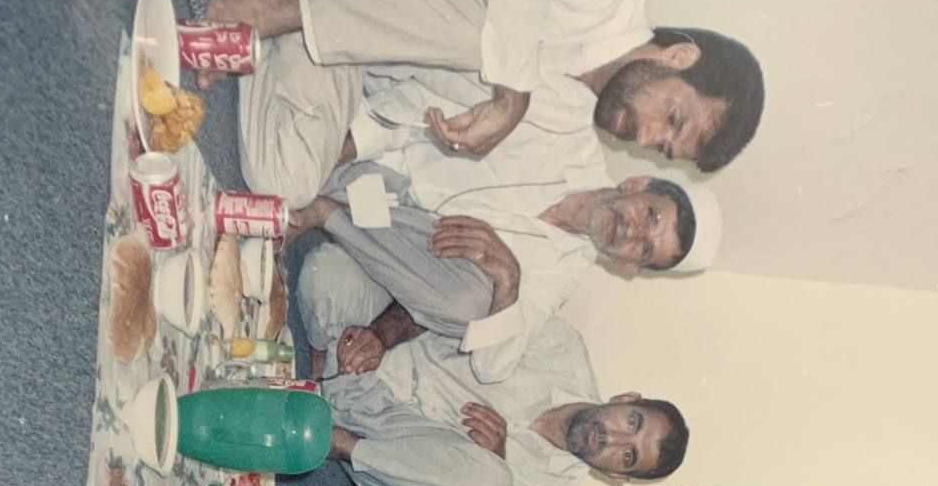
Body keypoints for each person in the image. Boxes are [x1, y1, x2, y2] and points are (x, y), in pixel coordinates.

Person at [206, 0, 763, 170]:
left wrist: (351, 146)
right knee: (487, 39)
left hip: (350, 39)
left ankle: (270, 38)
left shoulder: (573, 114)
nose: (646, 137)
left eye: (663, 147)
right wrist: (512, 95)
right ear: (679, 56)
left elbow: (422, 100)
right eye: (672, 119)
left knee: (289, 178)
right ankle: (259, 4)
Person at [285, 166, 721, 385]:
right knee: (291, 172)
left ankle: (321, 215)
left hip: (370, 254)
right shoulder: (568, 142)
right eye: (650, 215)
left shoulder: (561, 273)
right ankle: (317, 205)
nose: (632, 232)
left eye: (644, 249)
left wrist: (508, 277)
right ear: (637, 182)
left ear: (628, 265)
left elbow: (492, 367)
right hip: (380, 183)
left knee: (325, 277)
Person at [314, 313, 688, 486]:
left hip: (372, 440)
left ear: (617, 475)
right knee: (327, 267)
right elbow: (460, 312)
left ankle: (333, 437)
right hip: (376, 348)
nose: (613, 437)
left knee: (489, 484)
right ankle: (317, 366)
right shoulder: (562, 346)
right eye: (632, 421)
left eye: (628, 455)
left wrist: (492, 460)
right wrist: (381, 335)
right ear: (625, 398)